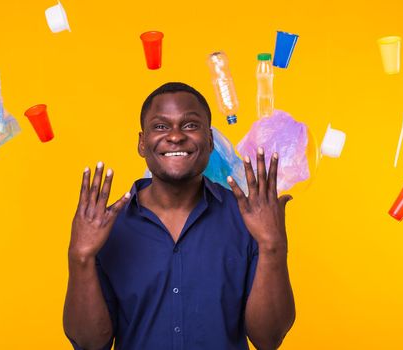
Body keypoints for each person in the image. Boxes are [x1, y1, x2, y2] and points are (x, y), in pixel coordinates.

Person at [63, 82, 296, 350]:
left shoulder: (248, 217)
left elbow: (269, 339)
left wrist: (272, 246)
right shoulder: (106, 226)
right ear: (141, 143)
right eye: (161, 126)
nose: (175, 136)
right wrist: (79, 257)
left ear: (209, 141)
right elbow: (90, 344)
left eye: (190, 125)